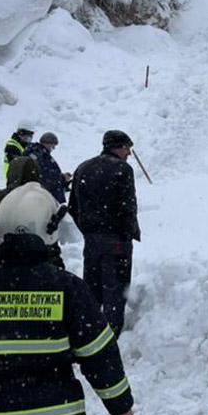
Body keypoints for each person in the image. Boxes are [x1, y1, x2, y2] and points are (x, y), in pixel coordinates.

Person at [0, 184, 136, 415]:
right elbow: (100, 357)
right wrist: (122, 409)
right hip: (59, 412)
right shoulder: (68, 288)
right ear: (49, 230)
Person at [70, 130, 140, 337]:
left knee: (92, 290)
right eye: (127, 148)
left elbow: (73, 206)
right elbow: (128, 206)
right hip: (116, 240)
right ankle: (110, 337)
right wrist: (127, 233)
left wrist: (88, 229)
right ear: (118, 146)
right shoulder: (122, 170)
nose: (128, 153)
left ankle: (89, 334)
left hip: (91, 240)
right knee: (115, 292)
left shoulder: (83, 168)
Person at [0, 157, 66, 272]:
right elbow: (52, 240)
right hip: (41, 269)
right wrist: (57, 269)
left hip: (3, 266)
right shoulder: (44, 198)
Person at [25, 132, 69, 204]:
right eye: (52, 145)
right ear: (47, 143)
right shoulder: (38, 154)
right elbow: (44, 175)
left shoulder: (42, 154)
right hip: (44, 198)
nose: (53, 148)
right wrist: (62, 178)